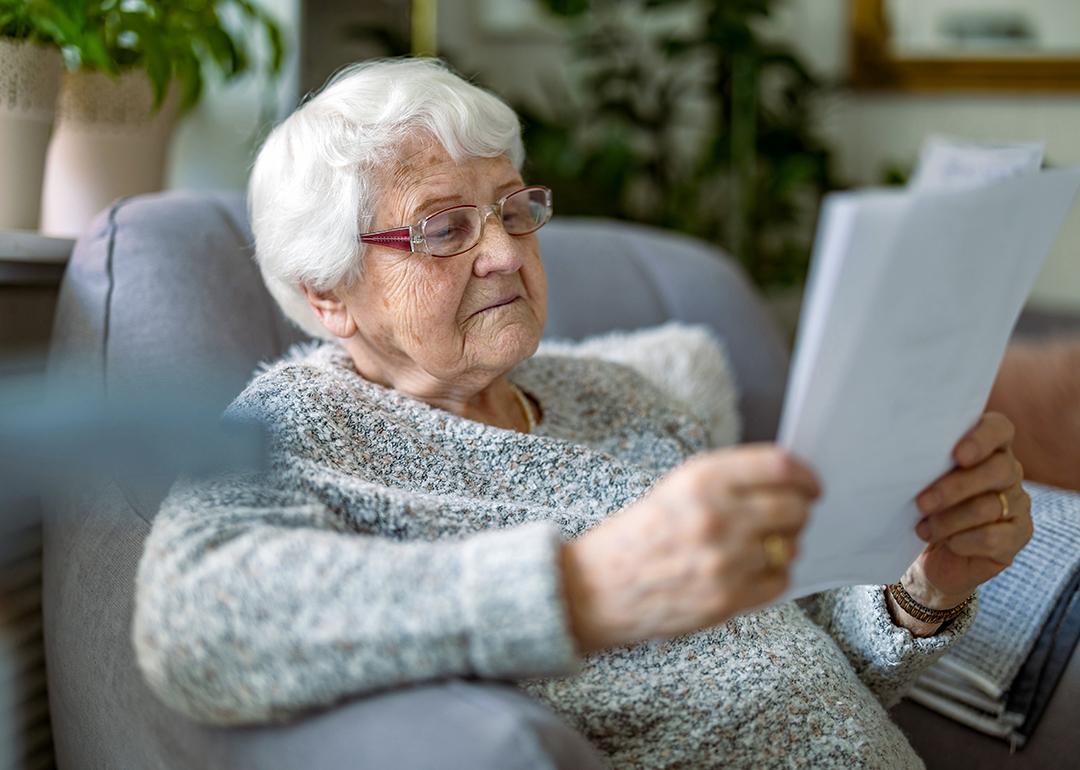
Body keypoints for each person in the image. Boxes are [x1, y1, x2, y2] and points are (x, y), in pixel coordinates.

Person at [132, 58, 1033, 768]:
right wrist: (577, 590)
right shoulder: (297, 426)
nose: (502, 254)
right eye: (444, 229)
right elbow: (194, 627)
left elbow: (808, 667)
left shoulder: (626, 399)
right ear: (328, 293)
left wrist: (922, 592)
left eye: (514, 210)